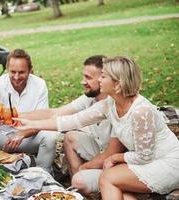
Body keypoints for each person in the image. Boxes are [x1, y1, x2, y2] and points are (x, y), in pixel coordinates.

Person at [15, 56, 179, 199]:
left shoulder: (141, 112)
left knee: (108, 178)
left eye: (104, 76)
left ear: (117, 84)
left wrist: (114, 158)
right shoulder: (110, 104)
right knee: (122, 193)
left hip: (166, 164)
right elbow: (72, 121)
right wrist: (33, 124)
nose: (100, 80)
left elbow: (145, 156)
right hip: (143, 162)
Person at [20, 55, 116, 195]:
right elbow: (56, 113)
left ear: (103, 77)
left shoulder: (112, 104)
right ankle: (78, 193)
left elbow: (68, 121)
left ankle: (82, 183)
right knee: (70, 137)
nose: (82, 82)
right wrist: (15, 115)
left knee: (70, 134)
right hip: (99, 150)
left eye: (88, 77)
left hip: (113, 159)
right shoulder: (90, 98)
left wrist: (86, 168)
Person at [0, 48, 57, 173]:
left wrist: (22, 134)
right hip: (2, 138)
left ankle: (43, 175)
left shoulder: (39, 85)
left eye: (21, 72)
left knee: (50, 136)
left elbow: (42, 120)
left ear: (30, 70)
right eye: (12, 72)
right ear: (7, 69)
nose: (17, 77)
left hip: (28, 137)